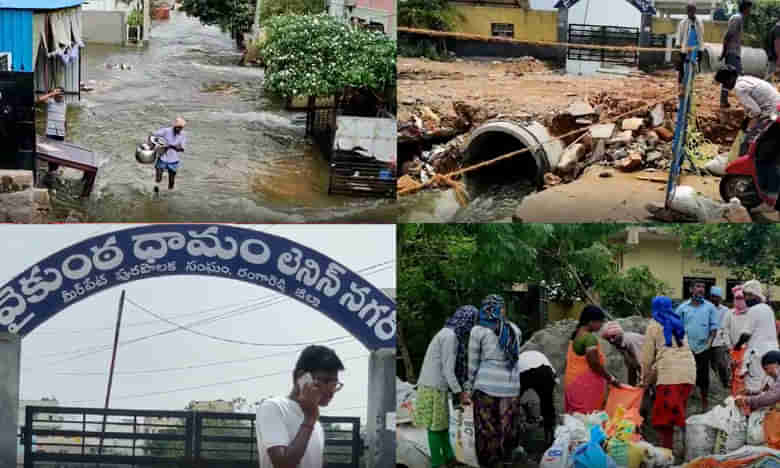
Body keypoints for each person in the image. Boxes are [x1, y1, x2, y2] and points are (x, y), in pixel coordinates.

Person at [256, 345, 344, 468]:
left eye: (334, 383)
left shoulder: (316, 424)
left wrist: (311, 419)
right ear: (301, 377)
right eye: (325, 381)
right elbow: (283, 464)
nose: (330, 390)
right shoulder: (273, 407)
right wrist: (310, 419)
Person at [415, 305, 478, 468]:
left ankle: (449, 458)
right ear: (467, 321)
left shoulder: (447, 332)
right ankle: (437, 464)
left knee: (441, 425)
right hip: (433, 387)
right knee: (435, 428)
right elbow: (448, 370)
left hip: (432, 385)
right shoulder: (451, 337)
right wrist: (460, 393)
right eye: (473, 322)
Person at [715, 64, 780, 212]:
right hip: (774, 111)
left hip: (772, 116)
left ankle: (752, 178)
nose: (725, 86)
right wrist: (749, 120)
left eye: (724, 83)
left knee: (750, 146)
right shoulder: (746, 79)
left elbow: (756, 111)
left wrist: (748, 121)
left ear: (730, 79)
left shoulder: (739, 88)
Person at [467, 295, 522, 468]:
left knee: (487, 428)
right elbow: (516, 358)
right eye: (502, 307)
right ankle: (507, 459)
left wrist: (468, 387)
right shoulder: (514, 329)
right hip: (511, 387)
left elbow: (472, 362)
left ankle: (492, 462)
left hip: (486, 387)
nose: (503, 310)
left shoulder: (478, 331)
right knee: (507, 427)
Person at [639, 296, 697, 450]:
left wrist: (644, 381)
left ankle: (667, 455)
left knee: (665, 422)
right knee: (679, 414)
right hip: (689, 373)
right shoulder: (678, 322)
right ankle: (685, 450)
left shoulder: (653, 325)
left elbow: (646, 358)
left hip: (670, 376)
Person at [564, 305, 619, 415]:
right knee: (589, 420)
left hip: (572, 383)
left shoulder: (576, 335)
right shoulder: (589, 338)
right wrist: (611, 379)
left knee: (578, 419)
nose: (601, 325)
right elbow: (594, 363)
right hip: (585, 387)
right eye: (600, 322)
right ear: (591, 321)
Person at [676, 281, 720, 411]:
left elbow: (714, 328)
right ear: (691, 289)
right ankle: (684, 402)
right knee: (685, 376)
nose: (701, 289)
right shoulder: (682, 308)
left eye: (703, 287)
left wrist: (709, 344)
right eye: (698, 287)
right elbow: (676, 327)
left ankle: (704, 403)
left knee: (703, 378)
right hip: (686, 349)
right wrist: (680, 344)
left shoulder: (710, 307)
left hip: (703, 348)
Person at [734, 280, 780, 395]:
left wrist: (737, 346)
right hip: (773, 355)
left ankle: (753, 410)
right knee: (770, 387)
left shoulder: (754, 310)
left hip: (758, 356)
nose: (744, 299)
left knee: (754, 386)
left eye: (746, 296)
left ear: (753, 295)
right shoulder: (768, 309)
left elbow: (746, 334)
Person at [516, 350, 558, 447]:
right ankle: (549, 438)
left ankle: (517, 438)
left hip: (523, 372)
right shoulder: (549, 367)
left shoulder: (522, 357)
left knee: (515, 403)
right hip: (544, 371)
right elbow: (553, 381)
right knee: (547, 404)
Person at [719, 0, 752, 108]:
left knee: (734, 76)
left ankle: (724, 100)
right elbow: (727, 36)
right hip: (731, 52)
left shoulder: (740, 19)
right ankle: (724, 101)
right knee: (734, 77)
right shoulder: (737, 18)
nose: (750, 11)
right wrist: (723, 53)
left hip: (735, 53)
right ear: (745, 8)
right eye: (749, 8)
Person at [600, 321, 644, 386]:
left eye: (613, 336)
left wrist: (643, 382)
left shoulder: (630, 341)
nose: (611, 340)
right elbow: (631, 367)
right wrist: (631, 387)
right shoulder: (619, 344)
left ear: (620, 333)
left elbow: (643, 364)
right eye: (608, 339)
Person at [676, 1, 704, 96]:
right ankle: (681, 89)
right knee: (681, 70)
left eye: (692, 10)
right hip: (684, 50)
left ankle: (689, 89)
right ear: (686, 11)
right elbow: (679, 37)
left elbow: (701, 37)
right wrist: (678, 50)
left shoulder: (699, 23)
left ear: (695, 10)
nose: (690, 12)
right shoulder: (683, 23)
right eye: (688, 10)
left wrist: (701, 51)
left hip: (695, 51)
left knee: (692, 70)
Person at [151, 117, 187, 191]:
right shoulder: (166, 131)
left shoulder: (183, 135)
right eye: (178, 128)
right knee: (158, 178)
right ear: (174, 126)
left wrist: (170, 146)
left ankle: (169, 196)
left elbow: (182, 149)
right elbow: (153, 135)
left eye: (181, 128)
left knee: (171, 181)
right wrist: (152, 145)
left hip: (174, 161)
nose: (179, 130)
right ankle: (155, 193)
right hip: (162, 158)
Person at [709, 286, 732, 389]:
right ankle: (715, 385)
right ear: (710, 297)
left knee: (722, 363)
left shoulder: (725, 310)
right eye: (713, 297)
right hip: (707, 341)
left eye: (717, 297)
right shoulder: (706, 308)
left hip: (719, 341)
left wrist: (727, 341)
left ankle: (725, 382)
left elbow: (727, 326)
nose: (715, 299)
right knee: (711, 364)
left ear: (721, 298)